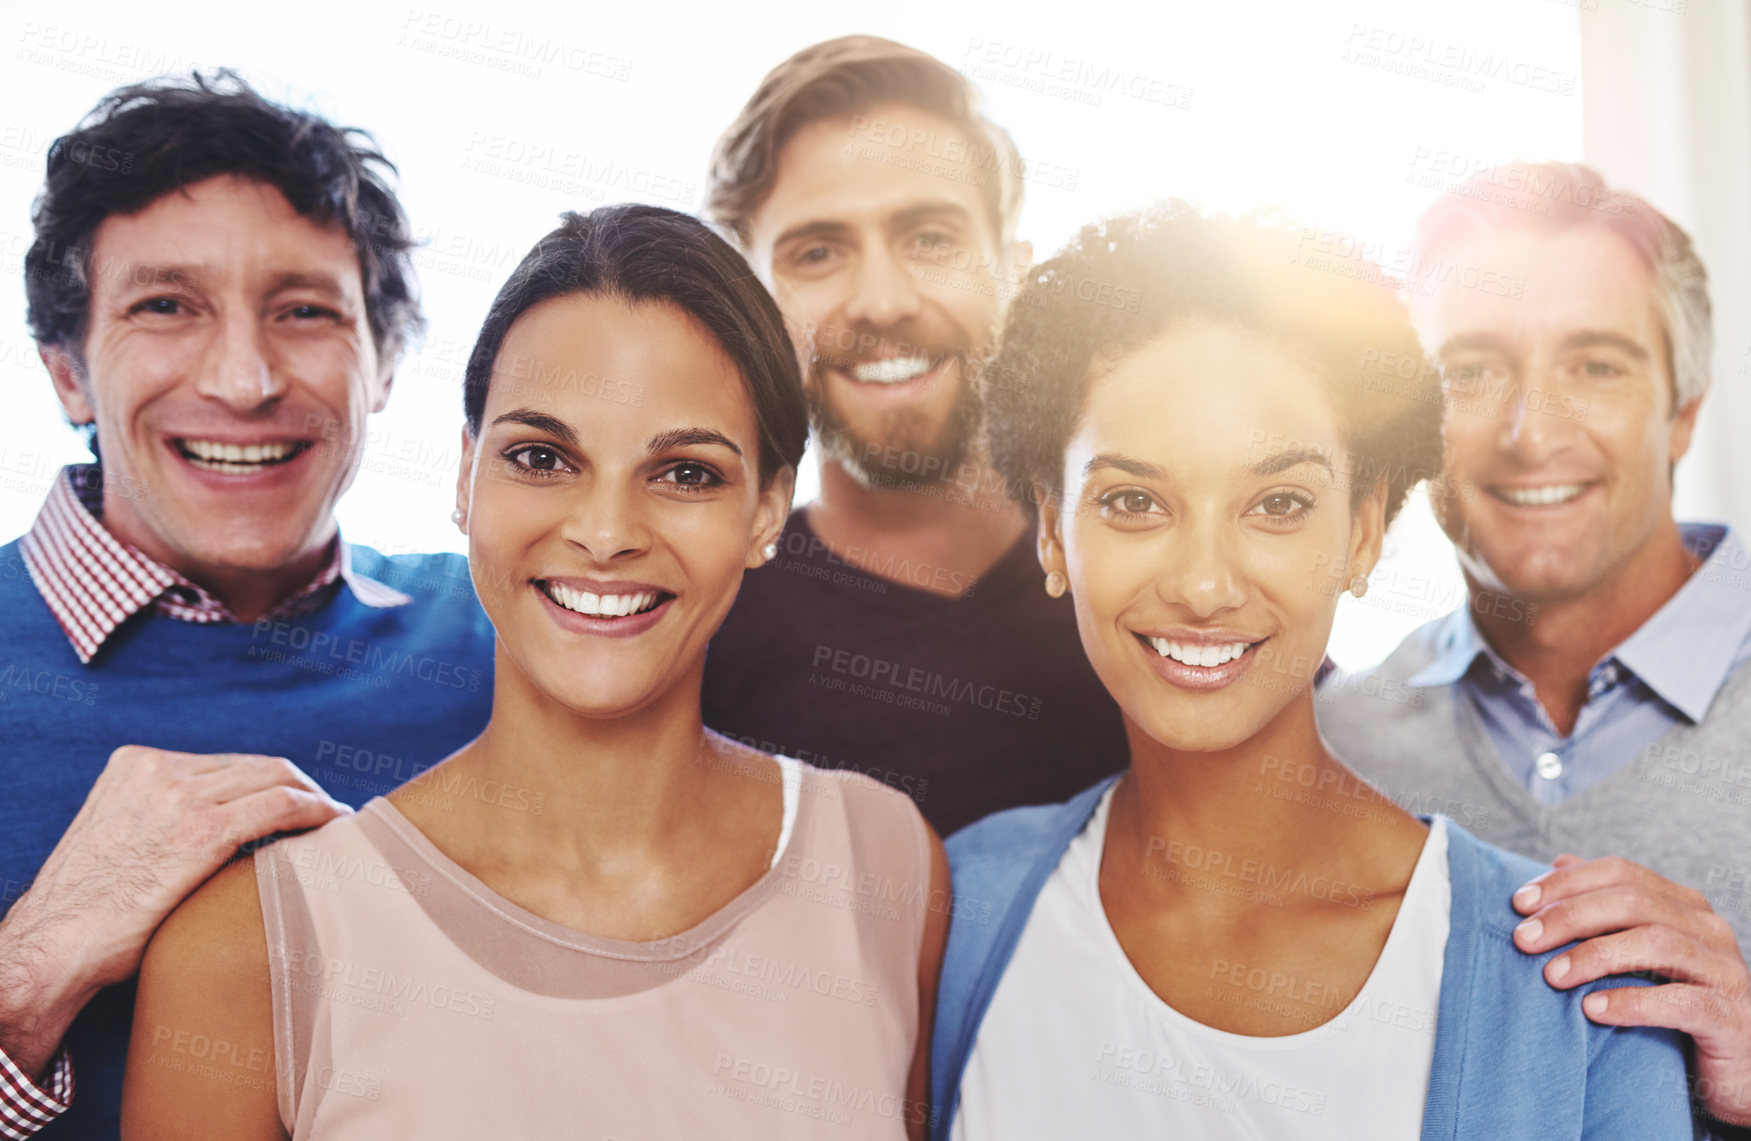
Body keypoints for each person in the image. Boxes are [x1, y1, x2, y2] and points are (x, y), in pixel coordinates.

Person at [122, 204, 949, 1139]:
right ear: (467, 476)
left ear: (766, 509)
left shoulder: (882, 863)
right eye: (541, 457)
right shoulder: (249, 952)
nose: (604, 533)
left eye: (684, 474)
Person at [929, 204, 1692, 1139]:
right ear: (1052, 529)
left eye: (1278, 503)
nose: (1203, 583)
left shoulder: (1578, 997)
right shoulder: (953, 910)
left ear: (1363, 531)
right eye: (1133, 500)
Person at [0, 73, 496, 1139]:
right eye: (166, 306)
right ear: (67, 372)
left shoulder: (522, 637)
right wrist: (31, 969)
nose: (242, 378)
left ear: (385, 366)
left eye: (304, 311)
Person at [1316, 163, 1751, 1131]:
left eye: (1594, 365)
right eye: (1468, 371)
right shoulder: (1330, 746)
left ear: (1682, 409)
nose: (1528, 430)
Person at [700, 35, 1127, 836]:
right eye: (817, 252)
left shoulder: (1160, 577)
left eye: (930, 238)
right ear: (748, 306)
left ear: (1015, 271)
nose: (883, 301)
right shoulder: (692, 628)